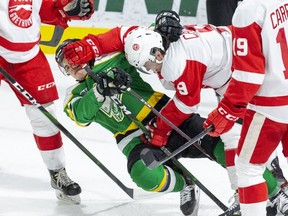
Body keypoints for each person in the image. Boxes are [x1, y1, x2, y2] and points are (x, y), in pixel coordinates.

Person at [57, 36, 288, 216]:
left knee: (224, 145)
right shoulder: (73, 94)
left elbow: (142, 41)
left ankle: (277, 194)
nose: (72, 67)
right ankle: (185, 183)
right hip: (135, 140)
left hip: (167, 117)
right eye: (66, 65)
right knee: (144, 175)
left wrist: (164, 27)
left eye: (73, 59)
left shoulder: (115, 62)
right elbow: (80, 116)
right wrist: (98, 91)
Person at [0, 0, 94, 204]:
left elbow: (49, 11)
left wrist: (70, 8)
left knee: (45, 117)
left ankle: (57, 173)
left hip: (29, 59)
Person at [202, 0, 288, 215]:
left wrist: (226, 109)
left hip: (271, 106)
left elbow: (249, 76)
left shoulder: (248, 10)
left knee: (248, 168)